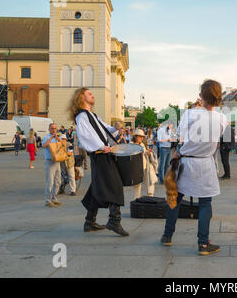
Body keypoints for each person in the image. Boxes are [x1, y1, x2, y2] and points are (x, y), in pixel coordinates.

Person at [161, 79, 228, 256]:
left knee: (175, 198)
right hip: (205, 163)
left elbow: (181, 136)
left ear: (201, 96)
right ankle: (203, 244)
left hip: (187, 161)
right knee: (205, 203)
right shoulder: (222, 118)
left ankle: (167, 236)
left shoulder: (190, 114)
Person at [70, 88, 129, 237]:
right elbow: (85, 136)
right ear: (81, 97)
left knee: (97, 186)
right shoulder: (82, 116)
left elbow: (105, 130)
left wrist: (115, 129)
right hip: (100, 154)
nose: (92, 95)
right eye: (89, 94)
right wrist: (102, 147)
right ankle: (114, 221)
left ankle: (90, 222)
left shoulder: (92, 115)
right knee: (114, 184)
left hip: (103, 152)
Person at [132, 129, 158, 200]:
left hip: (145, 165)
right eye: (140, 136)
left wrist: (148, 153)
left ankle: (150, 196)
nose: (141, 138)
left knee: (150, 180)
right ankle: (136, 199)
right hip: (136, 166)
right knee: (137, 184)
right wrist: (144, 152)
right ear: (135, 136)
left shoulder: (142, 144)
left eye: (142, 137)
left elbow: (145, 153)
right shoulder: (132, 144)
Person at [41, 124, 63, 208]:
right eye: (52, 128)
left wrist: (57, 138)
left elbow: (63, 145)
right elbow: (44, 145)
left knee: (58, 182)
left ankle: (54, 198)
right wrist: (51, 138)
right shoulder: (46, 137)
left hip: (57, 161)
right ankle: (47, 200)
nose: (54, 130)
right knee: (50, 182)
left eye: (55, 128)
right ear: (49, 129)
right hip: (50, 161)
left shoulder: (58, 138)